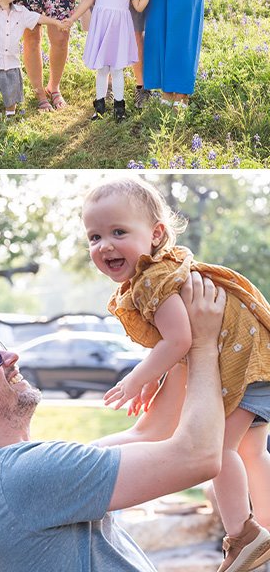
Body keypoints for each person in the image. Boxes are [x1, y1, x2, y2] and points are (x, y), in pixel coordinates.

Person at [0, 272, 225, 572]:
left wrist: (177, 350)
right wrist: (205, 345)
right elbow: (198, 457)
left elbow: (150, 432)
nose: (11, 356)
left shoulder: (12, 475)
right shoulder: (24, 476)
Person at [83, 178, 270, 572]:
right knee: (253, 452)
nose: (105, 246)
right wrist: (154, 377)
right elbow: (174, 339)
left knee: (221, 451)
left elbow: (180, 339)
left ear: (156, 235)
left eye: (119, 232)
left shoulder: (154, 279)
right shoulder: (163, 270)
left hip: (245, 364)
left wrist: (137, 376)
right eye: (94, 236)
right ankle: (264, 531)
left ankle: (245, 536)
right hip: (256, 360)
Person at [63, 0, 154, 122]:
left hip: (119, 32)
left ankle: (119, 108)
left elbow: (139, 7)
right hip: (102, 30)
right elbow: (87, 1)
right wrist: (72, 18)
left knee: (118, 70)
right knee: (103, 69)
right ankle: (100, 106)